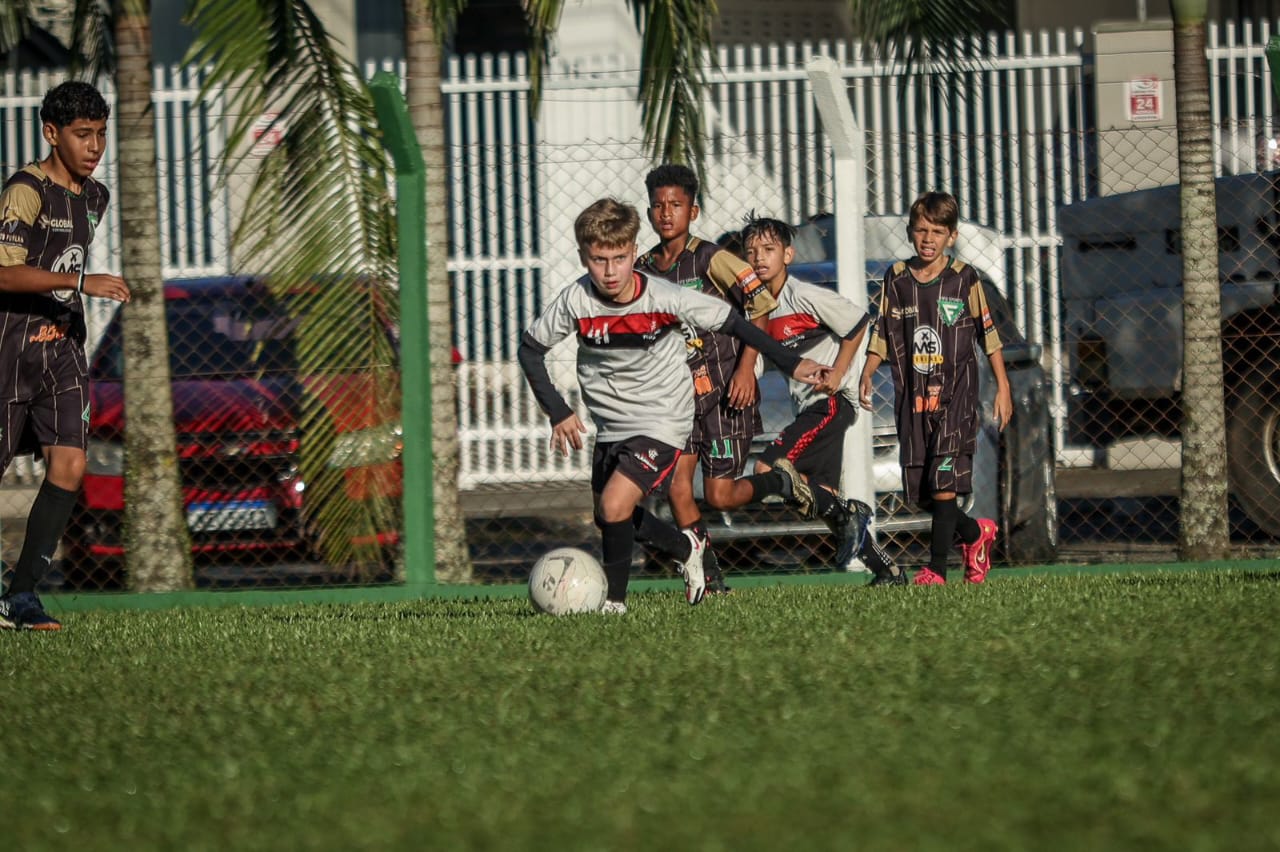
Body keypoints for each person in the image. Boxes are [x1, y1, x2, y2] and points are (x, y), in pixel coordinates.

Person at [518, 198, 827, 614]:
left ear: (633, 252)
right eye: (598, 260)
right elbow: (530, 349)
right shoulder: (576, 300)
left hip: (663, 418)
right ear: (583, 257)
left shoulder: (663, 297)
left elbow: (735, 322)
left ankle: (614, 603)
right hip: (612, 422)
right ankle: (686, 547)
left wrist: (791, 362)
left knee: (614, 506)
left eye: (620, 258)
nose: (610, 272)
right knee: (606, 515)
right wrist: (558, 410)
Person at [700, 214, 906, 586]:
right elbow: (758, 361)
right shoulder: (754, 312)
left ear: (788, 255)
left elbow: (858, 324)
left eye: (768, 249)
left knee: (768, 470)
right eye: (751, 252)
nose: (759, 258)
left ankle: (853, 516)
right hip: (808, 409)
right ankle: (887, 570)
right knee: (823, 499)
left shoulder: (804, 295)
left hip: (830, 404)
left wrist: (840, 373)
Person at [0, 81, 132, 630]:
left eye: (101, 134)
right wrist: (81, 280)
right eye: (83, 135)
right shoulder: (25, 191)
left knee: (71, 466)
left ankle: (23, 595)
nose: (95, 145)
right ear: (52, 134)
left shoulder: (94, 197)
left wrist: (74, 295)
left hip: (63, 350)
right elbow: (4, 272)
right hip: (10, 347)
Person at [636, 164, 776, 594]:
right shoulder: (643, 269)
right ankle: (709, 577)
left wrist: (747, 366)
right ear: (649, 213)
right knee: (680, 487)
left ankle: (780, 481)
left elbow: (762, 304)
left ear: (692, 211)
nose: (666, 213)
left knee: (718, 495)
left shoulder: (712, 258)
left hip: (723, 393)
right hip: (677, 399)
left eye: (675, 205)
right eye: (658, 206)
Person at [858, 191, 1011, 585]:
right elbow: (882, 332)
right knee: (925, 494)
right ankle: (976, 535)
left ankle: (936, 570)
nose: (928, 238)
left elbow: (988, 335)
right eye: (921, 230)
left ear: (952, 236)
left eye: (937, 232)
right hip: (914, 400)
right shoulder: (896, 278)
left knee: (944, 488)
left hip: (955, 399)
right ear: (910, 232)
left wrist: (1003, 387)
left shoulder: (965, 279)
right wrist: (867, 371)